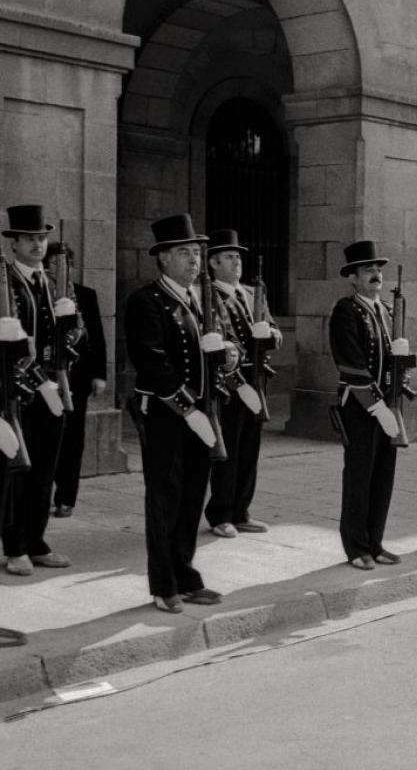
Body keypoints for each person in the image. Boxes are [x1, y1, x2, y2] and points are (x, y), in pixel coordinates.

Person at [125, 213, 236, 611]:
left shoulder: (202, 298)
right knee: (164, 498)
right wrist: (188, 409)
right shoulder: (146, 301)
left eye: (196, 253)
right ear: (164, 258)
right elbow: (152, 362)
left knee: (192, 495)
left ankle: (185, 574)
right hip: (166, 413)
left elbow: (225, 344)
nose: (194, 260)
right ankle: (164, 584)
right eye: (185, 253)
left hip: (203, 412)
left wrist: (228, 353)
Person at [1, 205, 71, 577]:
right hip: (16, 391)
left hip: (52, 389)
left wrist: (72, 324)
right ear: (13, 243)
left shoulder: (54, 282)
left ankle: (36, 540)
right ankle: (15, 547)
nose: (38, 245)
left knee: (45, 467)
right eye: (29, 238)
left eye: (42, 238)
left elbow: (74, 340)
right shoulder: (5, 282)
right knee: (17, 471)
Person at [329, 240, 405, 569]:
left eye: (378, 270)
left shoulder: (386, 311)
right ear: (353, 278)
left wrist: (403, 363)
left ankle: (375, 542)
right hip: (361, 407)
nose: (376, 275)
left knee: (383, 476)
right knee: (359, 477)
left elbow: (392, 363)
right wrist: (377, 407)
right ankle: (357, 547)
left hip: (387, 405)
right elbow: (352, 365)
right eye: (367, 270)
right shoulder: (346, 310)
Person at [203, 229, 281, 538]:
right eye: (229, 257)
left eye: (238, 257)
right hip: (229, 384)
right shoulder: (208, 294)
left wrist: (270, 334)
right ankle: (220, 514)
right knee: (229, 450)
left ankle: (241, 511)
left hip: (257, 380)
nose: (237, 262)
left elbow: (275, 330)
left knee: (250, 448)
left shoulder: (251, 293)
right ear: (214, 262)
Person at [44, 242, 106, 520]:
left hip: (78, 378)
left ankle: (66, 498)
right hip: (46, 379)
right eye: (55, 262)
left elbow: (97, 338)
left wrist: (99, 375)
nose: (61, 268)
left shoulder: (86, 295)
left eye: (66, 262)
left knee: (73, 439)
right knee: (46, 438)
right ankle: (42, 493)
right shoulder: (41, 292)